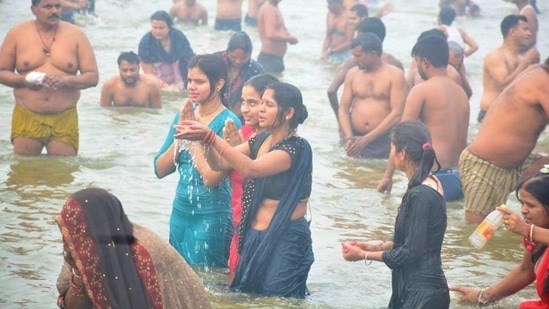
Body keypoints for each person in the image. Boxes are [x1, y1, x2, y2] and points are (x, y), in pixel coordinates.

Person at [174, 81, 314, 298]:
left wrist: (210, 137)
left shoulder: (296, 148)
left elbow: (251, 169)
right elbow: (219, 164)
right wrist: (203, 141)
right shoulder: (261, 139)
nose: (261, 110)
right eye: (262, 103)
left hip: (285, 238)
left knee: (277, 301)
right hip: (254, 236)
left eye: (268, 104)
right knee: (248, 297)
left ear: (288, 113)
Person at [342, 120, 450, 308]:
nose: (390, 153)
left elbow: (410, 254)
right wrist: (374, 247)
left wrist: (362, 256)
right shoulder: (431, 182)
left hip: (421, 295)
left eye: (392, 148)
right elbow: (416, 241)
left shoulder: (420, 195)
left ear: (402, 154)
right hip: (419, 290)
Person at [55, 187, 212, 309]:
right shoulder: (83, 245)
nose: (69, 240)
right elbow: (69, 305)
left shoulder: (143, 251)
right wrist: (79, 274)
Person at [153, 54, 242, 267]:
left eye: (199, 82)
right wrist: (182, 134)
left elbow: (212, 179)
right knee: (179, 283)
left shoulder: (229, 122)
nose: (191, 87)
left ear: (219, 84)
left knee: (208, 286)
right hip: (180, 214)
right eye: (189, 81)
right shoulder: (184, 116)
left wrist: (194, 141)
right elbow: (159, 169)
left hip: (212, 217)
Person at [0, 0, 99, 156]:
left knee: (63, 172)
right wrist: (25, 81)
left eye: (57, 6)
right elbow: (2, 71)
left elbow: (93, 77)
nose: (54, 11)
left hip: (64, 116)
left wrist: (65, 80)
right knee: (24, 173)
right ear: (33, 9)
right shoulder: (16, 34)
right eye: (47, 7)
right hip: (27, 114)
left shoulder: (77, 35)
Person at [377, 36, 469, 202]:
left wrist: (387, 177)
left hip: (434, 176)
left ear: (425, 62)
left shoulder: (421, 91)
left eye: (417, 62)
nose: (417, 67)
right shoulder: (460, 92)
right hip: (460, 177)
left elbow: (401, 136)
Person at [459, 56, 549, 224]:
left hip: (515, 166)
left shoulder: (537, 72)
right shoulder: (542, 81)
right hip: (483, 165)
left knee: (545, 166)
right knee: (477, 236)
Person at [450, 171, 549, 308]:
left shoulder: (531, 232)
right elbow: (526, 270)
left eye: (531, 205)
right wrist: (482, 297)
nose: (523, 210)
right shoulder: (534, 237)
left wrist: (526, 229)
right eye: (522, 203)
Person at [222, 73, 279, 276]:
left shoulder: (278, 142)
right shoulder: (245, 132)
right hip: (237, 222)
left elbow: (262, 184)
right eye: (244, 102)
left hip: (259, 230)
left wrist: (233, 150)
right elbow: (216, 172)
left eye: (252, 103)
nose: (244, 109)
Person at [338, 33, 407, 159]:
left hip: (383, 140)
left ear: (373, 54)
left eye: (358, 56)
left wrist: (367, 139)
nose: (354, 60)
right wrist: (349, 137)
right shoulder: (352, 74)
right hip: (355, 139)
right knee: (350, 176)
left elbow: (397, 114)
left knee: (376, 175)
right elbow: (343, 108)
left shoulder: (395, 75)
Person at [327, 17, 404, 130]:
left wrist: (341, 123)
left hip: (380, 133)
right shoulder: (395, 64)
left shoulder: (353, 62)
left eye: (360, 36)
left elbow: (331, 90)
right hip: (360, 130)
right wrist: (342, 122)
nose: (357, 39)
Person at [477, 14, 539, 122]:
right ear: (512, 32)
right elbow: (504, 84)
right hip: (490, 114)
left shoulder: (521, 60)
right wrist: (526, 63)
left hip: (511, 114)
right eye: (525, 29)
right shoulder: (496, 56)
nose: (529, 33)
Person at [406, 29, 472, 99]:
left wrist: (461, 72)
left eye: (456, 66)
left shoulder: (453, 74)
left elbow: (466, 96)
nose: (453, 67)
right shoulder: (416, 68)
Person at [138, 10, 195, 90]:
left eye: (161, 28)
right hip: (157, 76)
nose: (157, 31)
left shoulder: (178, 37)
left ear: (169, 28)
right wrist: (166, 87)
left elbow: (189, 58)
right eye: (155, 28)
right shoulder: (145, 42)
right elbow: (148, 73)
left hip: (178, 72)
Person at [213, 32, 264, 119]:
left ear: (250, 54)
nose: (238, 61)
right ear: (227, 51)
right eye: (233, 56)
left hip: (242, 115)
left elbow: (261, 98)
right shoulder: (214, 61)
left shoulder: (255, 70)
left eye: (244, 58)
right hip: (213, 109)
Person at [257, 0, 298, 74]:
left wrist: (289, 36)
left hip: (276, 59)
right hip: (269, 59)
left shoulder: (274, 7)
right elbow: (271, 34)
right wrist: (290, 39)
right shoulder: (269, 9)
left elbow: (281, 29)